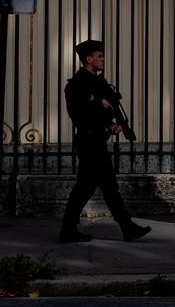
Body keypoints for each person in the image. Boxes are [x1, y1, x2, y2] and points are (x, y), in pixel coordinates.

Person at [58, 39, 152, 243]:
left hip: (97, 141)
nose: (102, 59)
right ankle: (127, 227)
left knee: (88, 188)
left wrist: (113, 125)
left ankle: (69, 230)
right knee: (104, 187)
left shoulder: (99, 83)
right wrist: (102, 111)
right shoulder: (76, 85)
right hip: (89, 142)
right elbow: (79, 115)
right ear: (88, 59)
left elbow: (107, 110)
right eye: (99, 56)